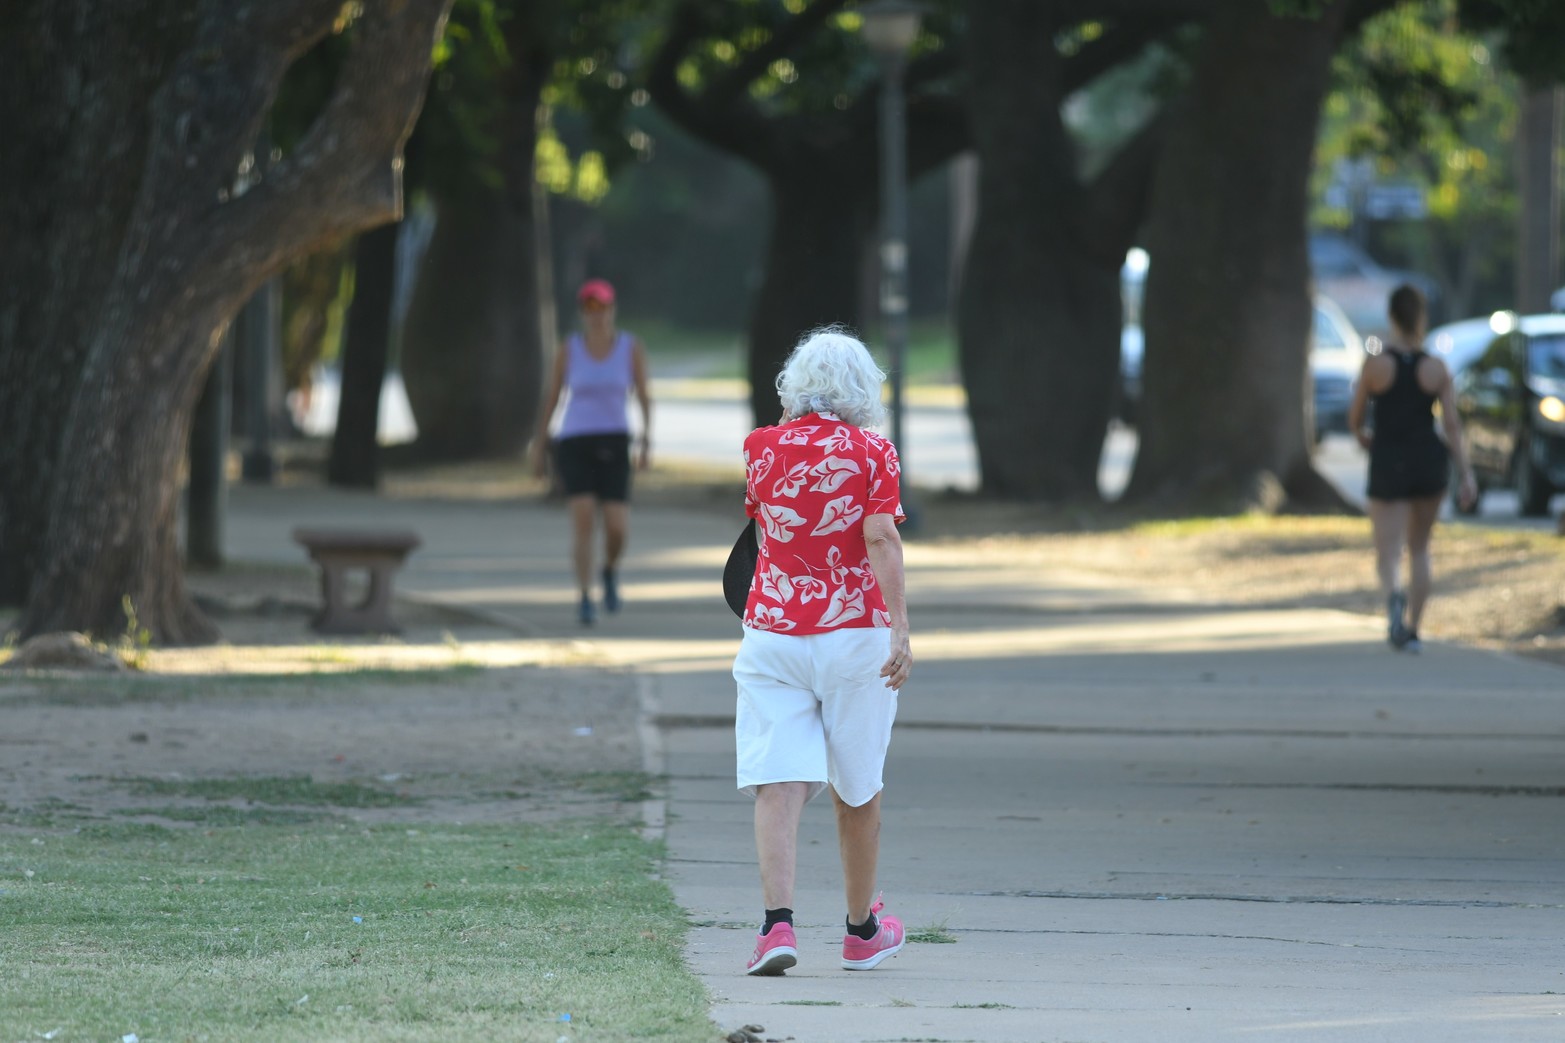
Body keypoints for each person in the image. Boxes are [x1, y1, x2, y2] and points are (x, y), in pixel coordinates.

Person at [732, 326, 912, 977]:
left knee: (777, 781)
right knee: (856, 786)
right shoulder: (872, 452)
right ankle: (861, 929)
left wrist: (785, 427)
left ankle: (775, 927)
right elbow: (879, 537)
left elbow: (769, 522)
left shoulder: (759, 447)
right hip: (853, 636)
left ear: (793, 387)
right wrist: (900, 628)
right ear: (864, 390)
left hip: (772, 635)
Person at [1347, 284, 1477, 653]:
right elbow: (1451, 426)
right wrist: (1466, 473)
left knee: (1387, 551)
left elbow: (1355, 416)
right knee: (1419, 548)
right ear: (1421, 318)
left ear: (1391, 316)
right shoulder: (1436, 369)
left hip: (1388, 458)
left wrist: (1361, 435)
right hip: (1427, 461)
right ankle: (1414, 629)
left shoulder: (1375, 366)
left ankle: (1393, 600)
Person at [533, 279, 652, 625]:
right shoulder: (569, 348)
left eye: (602, 308)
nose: (597, 315)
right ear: (583, 313)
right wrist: (540, 445)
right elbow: (553, 396)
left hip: (615, 440)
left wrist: (646, 439)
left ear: (613, 309)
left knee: (617, 526)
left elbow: (644, 394)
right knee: (583, 519)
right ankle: (585, 596)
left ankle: (610, 570)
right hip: (575, 441)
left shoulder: (631, 347)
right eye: (590, 309)